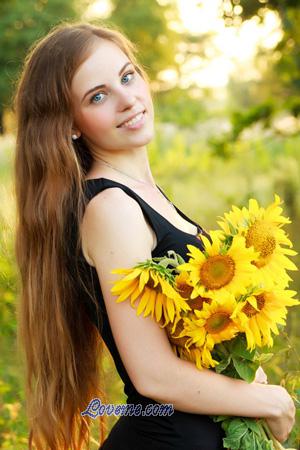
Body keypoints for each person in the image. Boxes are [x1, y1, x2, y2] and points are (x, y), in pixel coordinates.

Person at [14, 21, 296, 450]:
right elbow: (153, 375)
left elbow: (196, 342)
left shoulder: (143, 195)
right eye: (99, 95)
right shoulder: (112, 209)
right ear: (70, 124)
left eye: (127, 76)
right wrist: (267, 401)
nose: (128, 99)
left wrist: (252, 383)